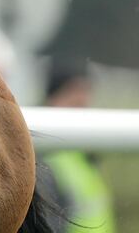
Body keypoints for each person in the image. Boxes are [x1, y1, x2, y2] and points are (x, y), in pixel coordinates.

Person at [38, 58, 117, 233]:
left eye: (84, 105)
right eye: (74, 104)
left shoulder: (86, 156)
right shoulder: (42, 161)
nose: (82, 111)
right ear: (52, 99)